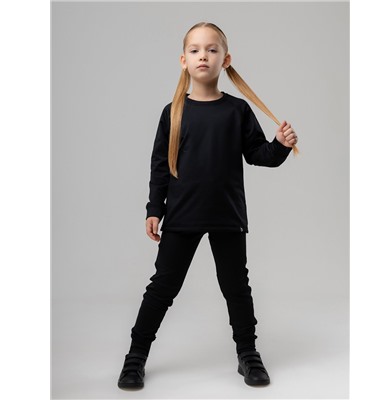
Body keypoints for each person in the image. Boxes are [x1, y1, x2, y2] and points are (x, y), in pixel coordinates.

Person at [117, 21, 299, 390]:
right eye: (196, 50)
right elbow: (159, 166)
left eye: (212, 49)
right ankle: (135, 358)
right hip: (182, 216)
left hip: (227, 216)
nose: (204, 55)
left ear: (225, 60)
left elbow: (259, 155)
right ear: (184, 60)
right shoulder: (173, 111)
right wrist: (154, 209)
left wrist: (280, 145)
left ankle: (248, 354)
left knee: (236, 288)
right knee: (162, 288)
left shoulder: (237, 110)